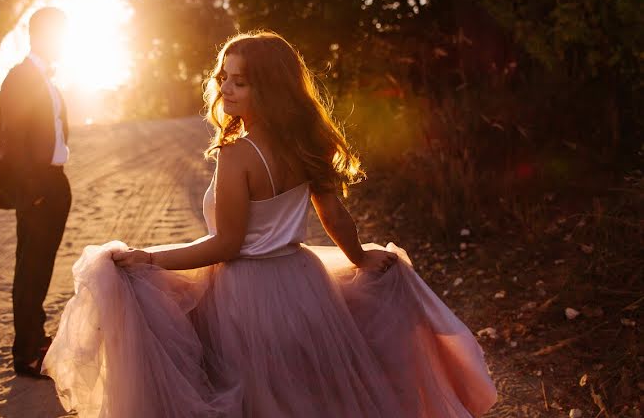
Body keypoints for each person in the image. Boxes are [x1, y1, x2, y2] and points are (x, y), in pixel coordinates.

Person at [44, 31, 497, 416]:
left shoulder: (238, 154)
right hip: (304, 285)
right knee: (308, 395)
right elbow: (333, 213)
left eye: (241, 81)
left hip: (245, 300)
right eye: (224, 78)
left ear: (271, 88)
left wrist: (150, 258)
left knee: (253, 399)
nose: (227, 89)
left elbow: (226, 245)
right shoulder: (306, 142)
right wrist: (359, 258)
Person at [0, 7, 72, 380]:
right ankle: (27, 354)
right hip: (38, 186)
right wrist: (32, 191)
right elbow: (12, 139)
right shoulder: (20, 78)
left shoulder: (47, 79)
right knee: (30, 270)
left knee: (42, 268)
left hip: (55, 182)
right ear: (40, 35)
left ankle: (37, 339)